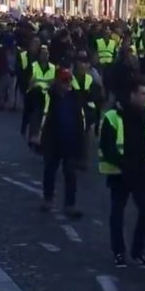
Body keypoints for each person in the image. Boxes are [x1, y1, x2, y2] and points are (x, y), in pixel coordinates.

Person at [99, 80, 145, 269]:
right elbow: (107, 147)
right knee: (117, 213)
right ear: (132, 95)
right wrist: (124, 163)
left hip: (142, 172)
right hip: (120, 173)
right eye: (142, 93)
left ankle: (138, 250)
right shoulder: (112, 117)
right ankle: (119, 251)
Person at [38, 69, 85, 219]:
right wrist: (39, 137)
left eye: (68, 81)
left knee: (70, 174)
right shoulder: (49, 97)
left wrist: (81, 142)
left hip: (70, 141)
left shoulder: (74, 97)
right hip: (53, 141)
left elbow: (80, 120)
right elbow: (42, 116)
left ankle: (70, 204)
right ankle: (48, 199)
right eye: (64, 81)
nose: (67, 84)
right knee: (50, 171)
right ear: (57, 81)